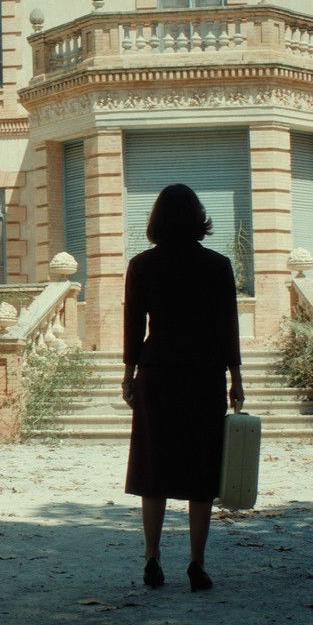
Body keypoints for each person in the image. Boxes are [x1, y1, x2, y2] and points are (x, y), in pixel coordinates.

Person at [120, 183, 244, 592]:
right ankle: (196, 563)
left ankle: (151, 557)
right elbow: (227, 325)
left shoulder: (142, 265)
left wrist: (128, 373)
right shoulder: (217, 265)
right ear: (198, 218)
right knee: (200, 470)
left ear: (156, 220)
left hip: (157, 371)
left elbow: (134, 325)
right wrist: (236, 378)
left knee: (153, 466)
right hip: (203, 373)